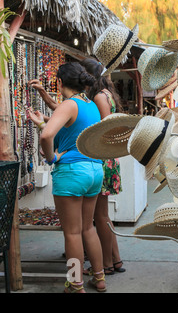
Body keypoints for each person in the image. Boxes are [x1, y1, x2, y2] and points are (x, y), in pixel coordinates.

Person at [28, 62, 106, 293]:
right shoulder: (90, 104)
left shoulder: (68, 104)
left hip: (72, 172)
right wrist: (44, 121)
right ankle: (99, 278)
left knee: (72, 232)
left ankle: (75, 283)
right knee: (87, 228)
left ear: (60, 83)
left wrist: (52, 159)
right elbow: (70, 133)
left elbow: (46, 136)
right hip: (94, 171)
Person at [80, 58, 126, 275]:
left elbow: (105, 129)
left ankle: (106, 264)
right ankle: (115, 260)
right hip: (108, 158)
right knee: (104, 216)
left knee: (100, 217)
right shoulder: (107, 94)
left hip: (102, 157)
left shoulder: (98, 97)